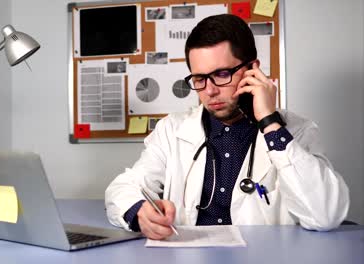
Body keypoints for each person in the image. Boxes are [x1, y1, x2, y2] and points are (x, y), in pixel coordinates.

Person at [105, 14, 349, 240]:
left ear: (253, 69)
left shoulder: (295, 131)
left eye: (222, 74)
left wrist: (269, 122)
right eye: (199, 79)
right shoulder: (172, 130)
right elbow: (123, 188)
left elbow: (325, 214)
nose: (210, 91)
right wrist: (140, 212)